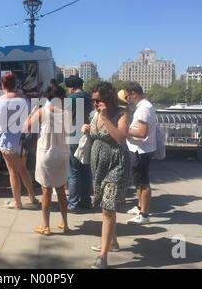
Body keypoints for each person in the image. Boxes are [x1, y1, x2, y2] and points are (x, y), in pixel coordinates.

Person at [82, 82, 129, 269]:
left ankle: (103, 256)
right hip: (98, 164)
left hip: (117, 164)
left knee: (107, 207)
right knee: (106, 204)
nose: (94, 104)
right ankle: (113, 242)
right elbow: (95, 136)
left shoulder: (121, 114)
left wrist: (105, 117)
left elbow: (120, 138)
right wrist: (88, 129)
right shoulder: (93, 115)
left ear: (108, 98)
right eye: (93, 100)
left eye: (98, 100)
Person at [25, 83, 70, 235]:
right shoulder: (66, 113)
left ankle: (46, 226)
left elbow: (26, 127)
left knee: (46, 191)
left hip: (47, 154)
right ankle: (64, 223)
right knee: (61, 190)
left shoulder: (42, 111)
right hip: (63, 154)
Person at [0, 72, 39, 209]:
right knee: (23, 169)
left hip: (8, 139)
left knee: (12, 172)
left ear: (3, 85)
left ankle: (17, 202)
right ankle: (32, 197)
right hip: (22, 140)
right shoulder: (24, 99)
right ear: (16, 84)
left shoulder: (1, 100)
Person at [124, 82, 157, 225]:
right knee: (138, 182)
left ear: (133, 93)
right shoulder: (144, 107)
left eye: (127, 96)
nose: (126, 99)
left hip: (141, 150)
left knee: (143, 182)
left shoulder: (143, 109)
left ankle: (144, 214)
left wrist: (124, 130)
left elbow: (142, 133)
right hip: (139, 149)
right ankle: (140, 208)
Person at [64, 75, 93, 212]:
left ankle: (72, 204)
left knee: (73, 171)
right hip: (87, 135)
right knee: (86, 170)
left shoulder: (71, 99)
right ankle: (86, 200)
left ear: (71, 87)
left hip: (73, 136)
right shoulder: (89, 97)